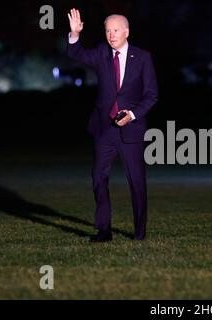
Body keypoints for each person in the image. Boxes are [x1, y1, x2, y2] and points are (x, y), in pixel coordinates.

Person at [67, 8, 158, 242]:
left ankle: (139, 232)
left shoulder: (143, 57)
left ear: (126, 32)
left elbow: (151, 95)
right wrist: (74, 34)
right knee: (98, 177)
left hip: (131, 130)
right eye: (107, 30)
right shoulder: (101, 54)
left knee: (136, 182)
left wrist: (133, 114)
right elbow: (75, 54)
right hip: (104, 129)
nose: (111, 34)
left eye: (115, 30)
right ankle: (104, 229)